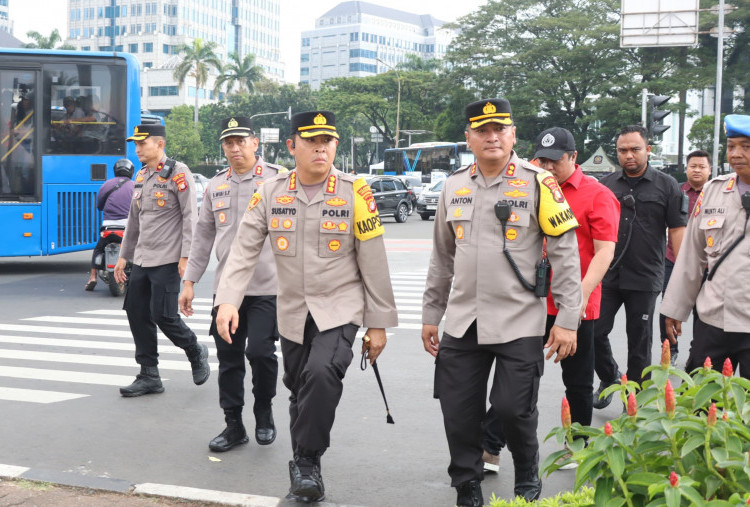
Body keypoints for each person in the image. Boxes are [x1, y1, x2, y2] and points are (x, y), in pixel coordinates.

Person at [214, 111, 398, 503]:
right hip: (293, 310)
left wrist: (378, 324)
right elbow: (243, 250)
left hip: (340, 307)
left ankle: (309, 461)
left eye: (328, 140)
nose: (321, 147)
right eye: (311, 140)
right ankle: (303, 460)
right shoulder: (270, 192)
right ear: (292, 146)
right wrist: (228, 300)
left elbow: (374, 260)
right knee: (299, 387)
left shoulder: (355, 191)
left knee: (322, 372)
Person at [422, 99, 582, 506]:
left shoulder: (539, 183)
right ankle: (466, 484)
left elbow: (565, 254)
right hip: (463, 321)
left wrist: (566, 320)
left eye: (500, 130)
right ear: (469, 138)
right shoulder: (453, 185)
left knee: (513, 408)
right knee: (458, 412)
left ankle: (526, 467)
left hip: (519, 321)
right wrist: (430, 314)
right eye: (482, 131)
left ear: (513, 135)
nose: (491, 137)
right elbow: (442, 257)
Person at [481, 128, 620, 472]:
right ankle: (489, 447)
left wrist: (575, 302)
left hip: (577, 307)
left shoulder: (597, 195)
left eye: (555, 160)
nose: (547, 166)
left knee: (578, 381)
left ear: (573, 157)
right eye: (541, 159)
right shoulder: (527, 187)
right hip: (531, 302)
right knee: (518, 377)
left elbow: (604, 254)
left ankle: (577, 444)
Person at [180, 116, 285, 451]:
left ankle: (264, 410)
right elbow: (202, 238)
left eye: (241, 140)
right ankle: (234, 425)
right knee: (228, 359)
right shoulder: (215, 185)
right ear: (223, 147)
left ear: (255, 143)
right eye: (229, 142)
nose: (235, 148)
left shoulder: (278, 179)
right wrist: (189, 281)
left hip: (268, 287)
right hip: (226, 290)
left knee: (261, 352)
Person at [593, 125, 687, 409]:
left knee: (639, 344)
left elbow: (678, 232)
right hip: (608, 273)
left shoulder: (667, 185)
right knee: (593, 331)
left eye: (635, 149)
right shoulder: (606, 184)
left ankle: (634, 402)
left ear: (648, 149)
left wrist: (680, 281)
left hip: (645, 276)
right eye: (622, 150)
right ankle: (609, 377)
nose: (629, 155)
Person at [113, 124, 209, 397]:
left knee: (163, 315)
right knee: (136, 312)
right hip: (142, 258)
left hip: (168, 259)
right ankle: (149, 374)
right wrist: (123, 256)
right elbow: (134, 220)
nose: (137, 149)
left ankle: (194, 348)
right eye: (136, 144)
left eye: (142, 143)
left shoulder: (179, 173)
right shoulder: (142, 175)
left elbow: (191, 217)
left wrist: (186, 257)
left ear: (159, 144)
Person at [661, 115, 750, 378]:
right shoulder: (714, 190)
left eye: (746, 146)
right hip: (714, 318)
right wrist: (675, 309)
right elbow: (692, 255)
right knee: (701, 403)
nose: (736, 154)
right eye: (731, 146)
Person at [659, 150, 711, 363]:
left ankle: (696, 354)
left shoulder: (715, 193)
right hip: (673, 260)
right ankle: (670, 349)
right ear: (686, 168)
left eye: (702, 166)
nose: (697, 170)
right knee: (667, 307)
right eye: (693, 166)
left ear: (709, 170)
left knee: (703, 312)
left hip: (706, 263)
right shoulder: (676, 191)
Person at [85, 159, 136, 290]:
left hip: (108, 228)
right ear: (131, 171)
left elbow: (99, 206)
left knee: (98, 249)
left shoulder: (106, 184)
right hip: (126, 227)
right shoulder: (134, 186)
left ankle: (92, 277)